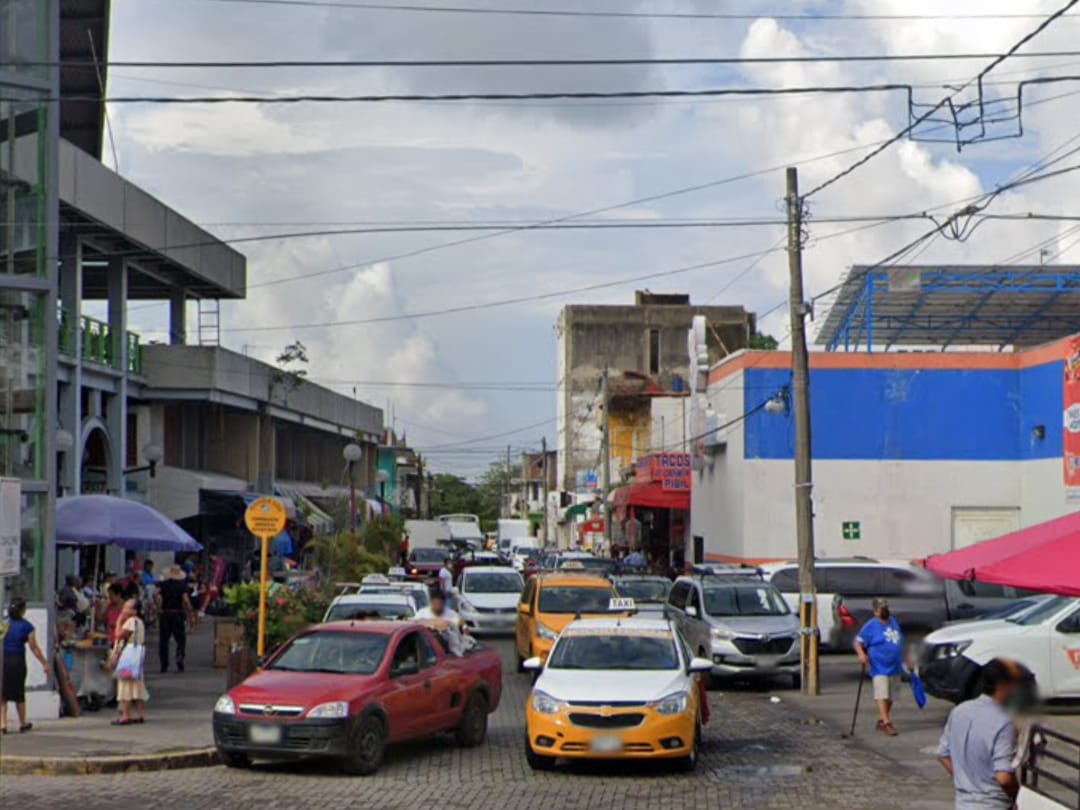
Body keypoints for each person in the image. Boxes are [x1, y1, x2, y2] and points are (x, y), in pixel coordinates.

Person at [938, 658, 1033, 809]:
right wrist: (1018, 798)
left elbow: (943, 754)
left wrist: (967, 782)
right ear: (1004, 686)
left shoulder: (959, 711)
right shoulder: (1004, 721)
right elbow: (1004, 778)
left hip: (963, 804)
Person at [854, 597, 908, 736]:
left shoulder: (893, 622)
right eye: (881, 609)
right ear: (875, 611)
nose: (884, 611)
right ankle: (886, 722)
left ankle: (882, 718)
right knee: (882, 693)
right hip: (879, 664)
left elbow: (900, 639)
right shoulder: (870, 625)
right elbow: (858, 641)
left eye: (885, 608)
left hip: (895, 664)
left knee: (892, 695)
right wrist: (861, 654)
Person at [1, 599, 50, 734]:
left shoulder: (3, 622)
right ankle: (22, 723)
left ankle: (3, 723)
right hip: (17, 660)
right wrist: (44, 663)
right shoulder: (27, 626)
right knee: (19, 692)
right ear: (22, 610)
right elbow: (34, 648)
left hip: (3, 658)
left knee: (2, 692)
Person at [109, 599, 147, 725]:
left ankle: (125, 715)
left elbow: (118, 635)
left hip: (129, 655)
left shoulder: (131, 622)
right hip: (138, 654)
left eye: (127, 608)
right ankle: (140, 714)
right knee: (137, 684)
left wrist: (119, 620)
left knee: (125, 683)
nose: (124, 610)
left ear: (134, 610)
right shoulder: (140, 622)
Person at [156, 565, 193, 673]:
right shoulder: (182, 585)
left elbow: (156, 596)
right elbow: (185, 600)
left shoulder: (163, 585)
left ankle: (164, 664)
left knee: (164, 641)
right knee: (180, 639)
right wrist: (190, 611)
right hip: (177, 613)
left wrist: (159, 608)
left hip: (165, 613)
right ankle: (180, 655)